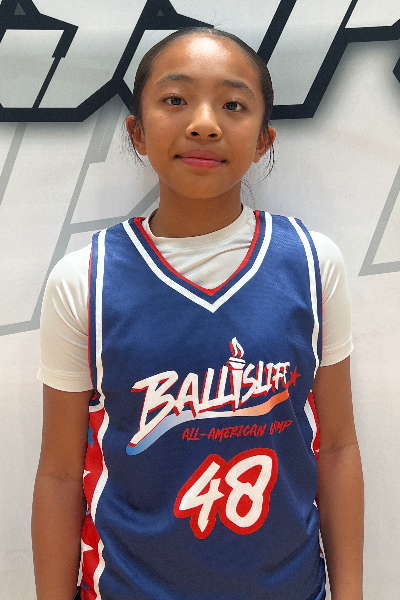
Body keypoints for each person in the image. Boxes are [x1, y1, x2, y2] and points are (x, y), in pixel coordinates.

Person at [32, 27, 364, 600]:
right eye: (175, 99)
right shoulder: (84, 279)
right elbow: (60, 475)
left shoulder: (312, 264)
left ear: (263, 140)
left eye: (233, 105)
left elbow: (336, 449)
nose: (204, 124)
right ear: (137, 132)